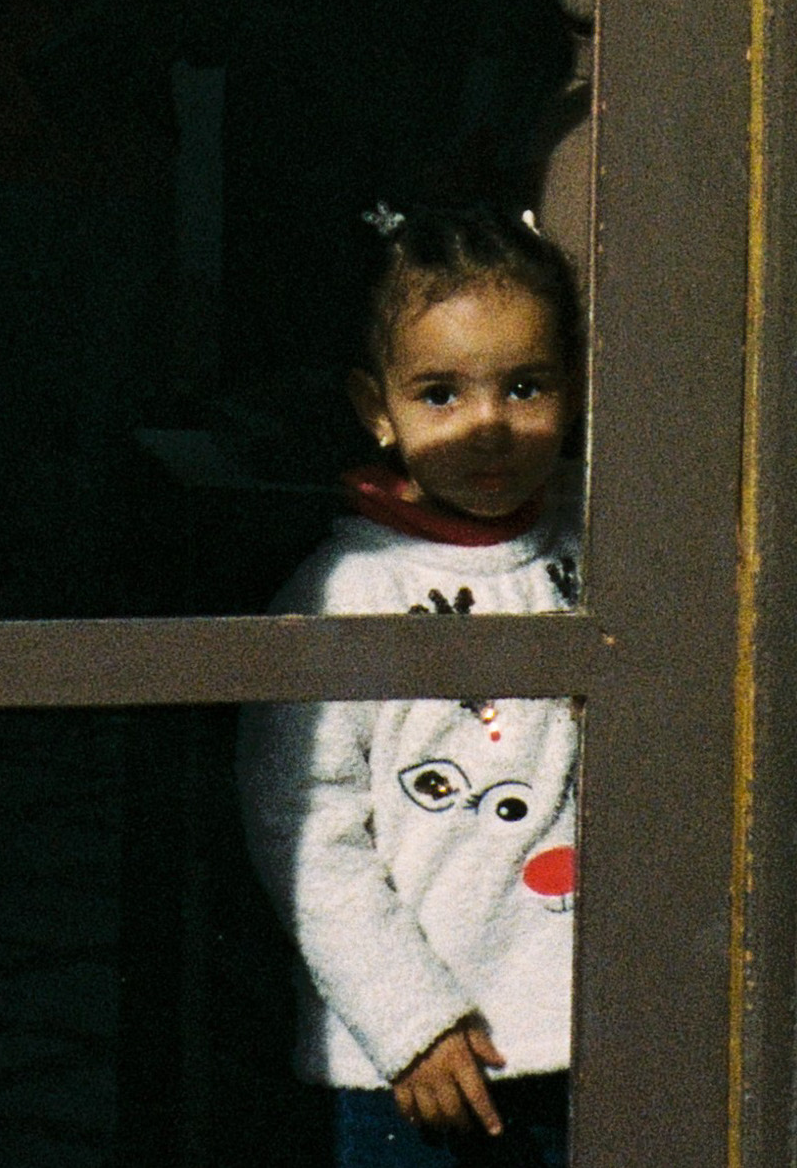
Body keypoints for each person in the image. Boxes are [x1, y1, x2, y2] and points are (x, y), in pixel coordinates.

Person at [238, 207, 585, 1164]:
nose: (488, 425)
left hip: (600, 1031)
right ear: (376, 407)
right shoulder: (348, 589)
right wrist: (410, 1018)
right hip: (425, 1061)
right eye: (440, 392)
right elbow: (303, 826)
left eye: (525, 385)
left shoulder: (598, 547)